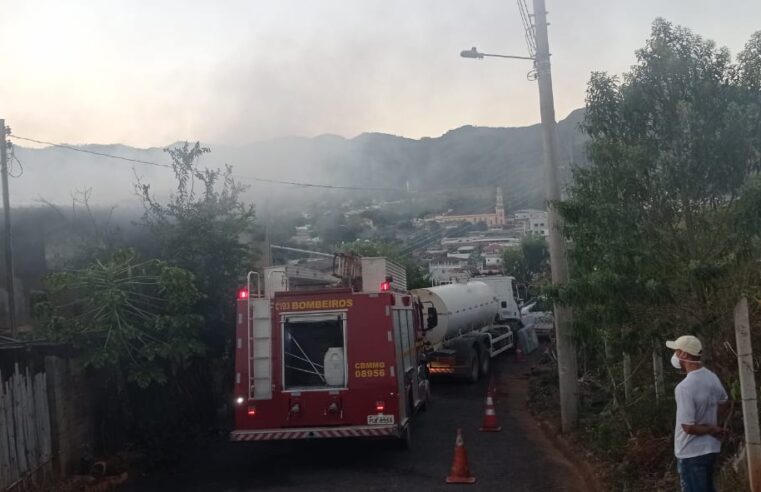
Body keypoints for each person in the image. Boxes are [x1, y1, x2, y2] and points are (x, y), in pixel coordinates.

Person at [666, 335, 730, 492]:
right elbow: (724, 402)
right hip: (711, 448)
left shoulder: (684, 387)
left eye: (676, 351)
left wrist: (711, 429)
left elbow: (688, 427)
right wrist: (715, 425)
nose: (675, 356)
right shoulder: (712, 377)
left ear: (684, 355)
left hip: (690, 452)